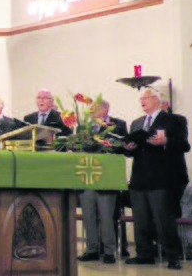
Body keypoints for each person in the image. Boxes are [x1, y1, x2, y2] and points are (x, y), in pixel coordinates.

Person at [122, 88, 186, 270]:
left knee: (163, 219)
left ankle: (173, 255)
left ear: (157, 100)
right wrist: (128, 147)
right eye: (141, 99)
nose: (142, 101)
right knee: (140, 218)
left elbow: (184, 145)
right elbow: (130, 151)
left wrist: (166, 142)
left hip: (162, 178)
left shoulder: (174, 120)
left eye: (146, 98)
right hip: (139, 178)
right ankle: (144, 254)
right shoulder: (136, 123)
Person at [77, 99, 127, 264]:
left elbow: (122, 147)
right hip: (87, 176)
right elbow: (79, 147)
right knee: (88, 215)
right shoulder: (84, 127)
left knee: (106, 216)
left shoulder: (118, 125)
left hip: (107, 177)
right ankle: (91, 249)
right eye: (90, 109)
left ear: (105, 109)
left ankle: (109, 251)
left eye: (94, 108)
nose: (91, 111)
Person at [158, 88, 190, 219]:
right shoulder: (144, 122)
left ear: (165, 105)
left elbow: (184, 145)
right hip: (153, 179)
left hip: (174, 176)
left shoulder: (178, 120)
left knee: (174, 215)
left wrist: (166, 141)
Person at [179, 178, 192, 261]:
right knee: (187, 226)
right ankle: (187, 249)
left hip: (190, 214)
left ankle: (188, 248)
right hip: (190, 215)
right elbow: (187, 206)